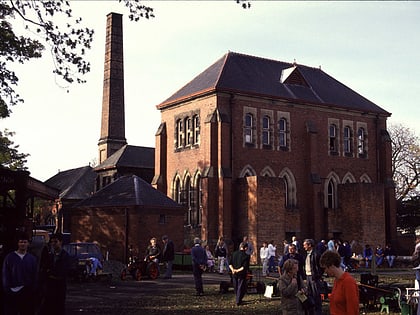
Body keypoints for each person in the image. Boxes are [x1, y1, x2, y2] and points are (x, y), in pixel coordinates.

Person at [2, 232, 38, 315]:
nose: (23, 244)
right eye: (21, 242)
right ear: (18, 243)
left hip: (26, 291)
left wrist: (32, 289)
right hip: (12, 292)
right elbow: (5, 274)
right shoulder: (10, 258)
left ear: (28, 243)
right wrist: (8, 289)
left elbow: (34, 275)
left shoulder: (32, 259)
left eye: (25, 242)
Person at [320, 250, 359, 315]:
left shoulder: (348, 282)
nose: (325, 271)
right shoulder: (337, 281)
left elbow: (353, 309)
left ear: (331, 265)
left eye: (325, 268)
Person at [41, 233, 71, 315]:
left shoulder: (65, 256)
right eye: (52, 242)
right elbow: (45, 269)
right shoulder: (50, 255)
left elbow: (62, 272)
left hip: (60, 286)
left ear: (60, 242)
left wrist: (50, 272)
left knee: (59, 307)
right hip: (50, 286)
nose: (53, 244)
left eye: (55, 241)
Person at [303, 238, 324, 315]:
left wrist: (318, 275)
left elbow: (321, 266)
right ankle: (311, 310)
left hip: (314, 277)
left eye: (305, 245)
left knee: (316, 295)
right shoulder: (308, 254)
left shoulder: (316, 254)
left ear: (309, 245)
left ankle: (318, 311)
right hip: (308, 276)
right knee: (309, 294)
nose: (304, 247)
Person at [229, 242, 250, 306]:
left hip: (234, 273)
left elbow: (230, 264)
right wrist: (237, 270)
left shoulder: (234, 253)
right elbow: (244, 267)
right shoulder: (246, 256)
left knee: (236, 286)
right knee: (241, 287)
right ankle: (238, 300)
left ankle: (238, 298)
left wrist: (233, 270)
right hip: (241, 273)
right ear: (245, 248)